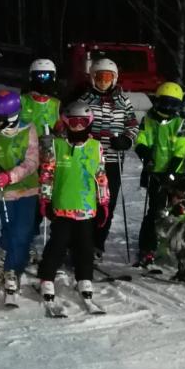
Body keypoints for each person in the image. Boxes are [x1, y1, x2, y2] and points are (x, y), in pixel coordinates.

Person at [35, 100, 109, 310]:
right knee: (57, 244)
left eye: (82, 121)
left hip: (85, 208)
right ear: (66, 122)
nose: (77, 125)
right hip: (62, 206)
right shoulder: (57, 146)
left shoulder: (95, 147)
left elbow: (101, 176)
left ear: (89, 123)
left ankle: (84, 278)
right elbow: (47, 175)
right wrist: (45, 200)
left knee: (85, 247)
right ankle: (47, 277)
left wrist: (103, 203)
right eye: (73, 121)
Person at [73, 58, 139, 257]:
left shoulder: (123, 101)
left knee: (107, 202)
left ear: (114, 78)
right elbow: (76, 123)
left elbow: (133, 125)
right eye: (99, 77)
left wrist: (127, 140)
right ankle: (80, 243)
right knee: (85, 201)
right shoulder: (85, 100)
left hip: (112, 160)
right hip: (89, 159)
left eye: (107, 77)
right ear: (93, 78)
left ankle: (97, 244)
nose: (103, 81)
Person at [0, 89, 41, 306]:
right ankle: (3, 263)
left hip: (27, 189)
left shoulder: (28, 130)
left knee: (22, 232)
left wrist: (11, 176)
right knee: (8, 229)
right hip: (4, 192)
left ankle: (12, 270)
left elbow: (32, 161)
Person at [134, 82, 185, 265]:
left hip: (175, 172)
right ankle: (147, 247)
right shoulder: (148, 119)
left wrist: (172, 171)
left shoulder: (180, 122)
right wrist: (146, 157)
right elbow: (141, 140)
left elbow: (181, 149)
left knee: (178, 210)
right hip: (155, 172)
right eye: (164, 103)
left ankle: (178, 246)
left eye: (171, 104)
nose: (167, 108)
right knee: (156, 210)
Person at [20, 59, 61, 136]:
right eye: (39, 75)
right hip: (26, 144)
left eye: (46, 76)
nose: (42, 80)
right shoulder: (22, 100)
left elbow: (59, 128)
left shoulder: (56, 103)